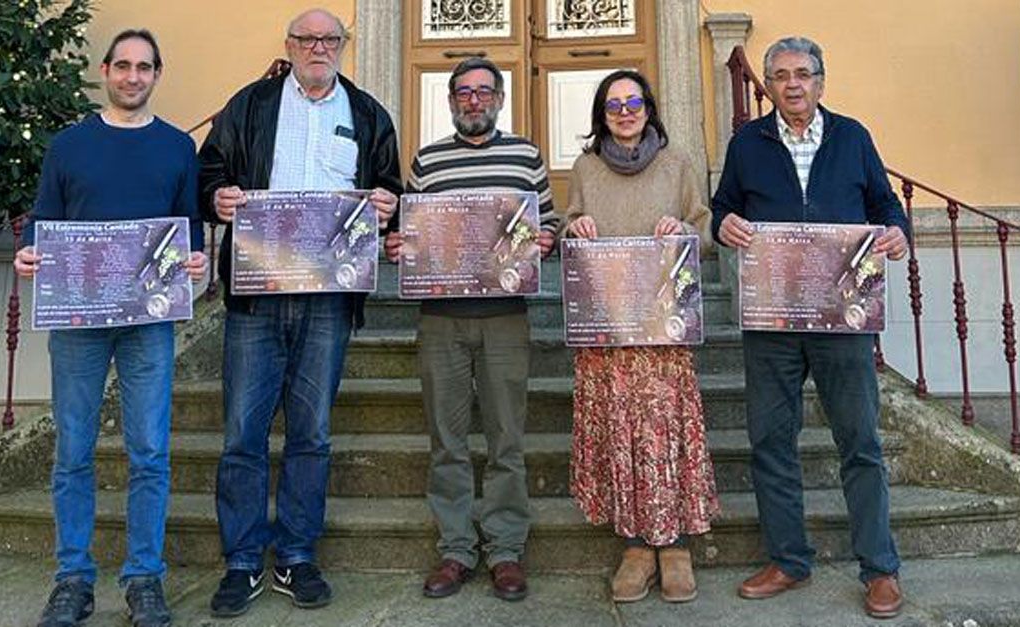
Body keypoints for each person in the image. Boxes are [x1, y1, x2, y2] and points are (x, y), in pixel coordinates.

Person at [197, 8, 401, 618]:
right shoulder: (251, 104)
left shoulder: (367, 113)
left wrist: (390, 202)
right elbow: (209, 171)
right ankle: (240, 561)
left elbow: (390, 186)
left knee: (311, 432)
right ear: (289, 45)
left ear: (343, 47)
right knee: (242, 432)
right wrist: (217, 198)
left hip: (329, 299)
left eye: (330, 39)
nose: (318, 48)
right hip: (257, 295)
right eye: (307, 39)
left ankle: (296, 554)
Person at [711, 36, 911, 619]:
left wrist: (899, 235)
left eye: (802, 74)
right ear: (768, 86)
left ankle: (880, 569)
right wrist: (725, 226)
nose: (791, 84)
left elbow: (886, 207)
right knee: (771, 442)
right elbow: (723, 207)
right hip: (771, 318)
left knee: (861, 444)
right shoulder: (748, 142)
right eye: (779, 76)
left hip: (843, 318)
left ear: (820, 81)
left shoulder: (852, 137)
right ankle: (788, 560)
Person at [14, 29, 207, 627]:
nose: (131, 76)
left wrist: (197, 264)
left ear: (156, 75)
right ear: (106, 71)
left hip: (148, 323)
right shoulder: (70, 145)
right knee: (73, 451)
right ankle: (72, 577)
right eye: (121, 66)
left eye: (143, 67)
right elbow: (44, 222)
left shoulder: (178, 147)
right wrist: (27, 254)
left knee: (149, 452)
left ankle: (144, 577)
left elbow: (191, 235)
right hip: (78, 320)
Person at [384, 56, 558, 602]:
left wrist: (545, 240)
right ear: (451, 99)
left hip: (505, 318)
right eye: (464, 91)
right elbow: (410, 232)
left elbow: (547, 221)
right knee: (447, 441)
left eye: (484, 91)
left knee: (507, 439)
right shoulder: (427, 161)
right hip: (440, 319)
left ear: (500, 99)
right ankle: (456, 550)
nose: (474, 100)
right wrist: (400, 247)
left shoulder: (525, 155)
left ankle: (506, 551)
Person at [562, 69, 720, 604]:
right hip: (607, 329)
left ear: (649, 109)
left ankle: (673, 545)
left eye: (633, 102)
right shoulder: (585, 168)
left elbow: (703, 225)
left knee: (663, 434)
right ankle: (634, 544)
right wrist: (575, 227)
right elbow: (570, 227)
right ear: (601, 116)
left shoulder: (677, 164)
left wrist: (684, 232)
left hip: (663, 328)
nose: (624, 112)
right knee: (619, 434)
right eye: (613, 105)